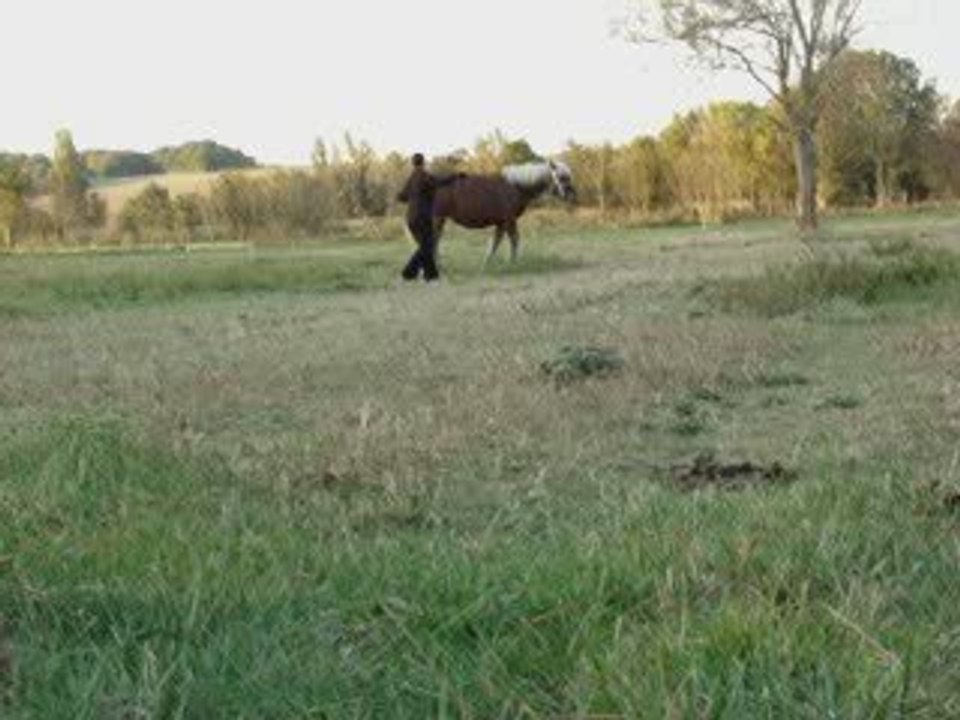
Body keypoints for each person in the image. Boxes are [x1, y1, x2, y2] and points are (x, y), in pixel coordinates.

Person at [396, 153, 464, 282]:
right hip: (423, 217)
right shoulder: (424, 176)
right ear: (423, 162)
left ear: (413, 163)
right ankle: (407, 274)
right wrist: (456, 176)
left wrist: (409, 196)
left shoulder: (412, 178)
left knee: (426, 247)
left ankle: (432, 276)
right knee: (427, 247)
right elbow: (440, 182)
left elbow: (401, 197)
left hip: (411, 219)